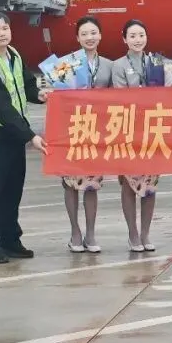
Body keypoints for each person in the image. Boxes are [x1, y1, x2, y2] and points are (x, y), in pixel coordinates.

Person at [0, 11, 49, 264]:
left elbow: (26, 85)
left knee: (12, 192)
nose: (2, 33)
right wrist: (31, 136)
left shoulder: (13, 55)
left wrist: (39, 95)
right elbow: (1, 108)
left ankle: (11, 241)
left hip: (13, 136)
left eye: (5, 28)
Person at [60, 15, 114, 254]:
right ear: (77, 38)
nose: (89, 38)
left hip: (96, 130)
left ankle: (90, 234)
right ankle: (75, 231)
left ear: (100, 35)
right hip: (71, 130)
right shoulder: (66, 64)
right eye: (84, 34)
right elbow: (58, 94)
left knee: (92, 184)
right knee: (70, 183)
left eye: (93, 33)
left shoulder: (109, 65)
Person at [110, 19, 161, 252]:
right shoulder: (118, 65)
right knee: (129, 184)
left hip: (152, 130)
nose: (137, 40)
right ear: (124, 39)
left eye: (141, 35)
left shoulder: (156, 62)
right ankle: (132, 233)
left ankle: (146, 233)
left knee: (150, 184)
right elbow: (121, 97)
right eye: (132, 36)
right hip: (128, 130)